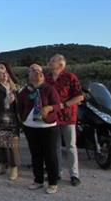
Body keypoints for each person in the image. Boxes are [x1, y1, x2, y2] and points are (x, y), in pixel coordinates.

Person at [18, 64, 61, 194]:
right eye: (33, 70)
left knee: (50, 155)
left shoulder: (49, 89)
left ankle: (53, 183)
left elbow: (58, 105)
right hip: (31, 127)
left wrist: (49, 108)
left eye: (39, 71)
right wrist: (23, 119)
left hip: (47, 127)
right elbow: (19, 106)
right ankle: (38, 180)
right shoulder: (25, 91)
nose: (37, 73)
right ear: (29, 74)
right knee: (36, 155)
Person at [45, 54, 83, 187]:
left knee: (71, 146)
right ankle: (57, 172)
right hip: (52, 117)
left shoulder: (70, 77)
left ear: (61, 64)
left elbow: (79, 97)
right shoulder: (47, 78)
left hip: (67, 117)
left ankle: (74, 175)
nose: (49, 62)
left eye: (52, 60)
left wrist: (63, 105)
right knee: (54, 147)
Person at [0, 43, 21, 181]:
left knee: (12, 145)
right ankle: (1, 165)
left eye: (6, 73)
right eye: (1, 73)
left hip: (11, 120)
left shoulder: (14, 87)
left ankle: (14, 168)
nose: (4, 75)